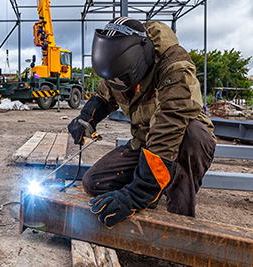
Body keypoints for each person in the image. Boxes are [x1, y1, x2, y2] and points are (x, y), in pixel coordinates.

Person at [68, 17, 216, 229]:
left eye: (122, 79)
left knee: (193, 135)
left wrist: (137, 193)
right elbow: (104, 94)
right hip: (145, 140)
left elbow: (169, 128)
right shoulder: (119, 64)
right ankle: (153, 189)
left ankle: (180, 222)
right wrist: (86, 118)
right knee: (94, 182)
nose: (118, 84)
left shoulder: (174, 66)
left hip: (181, 139)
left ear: (140, 60)